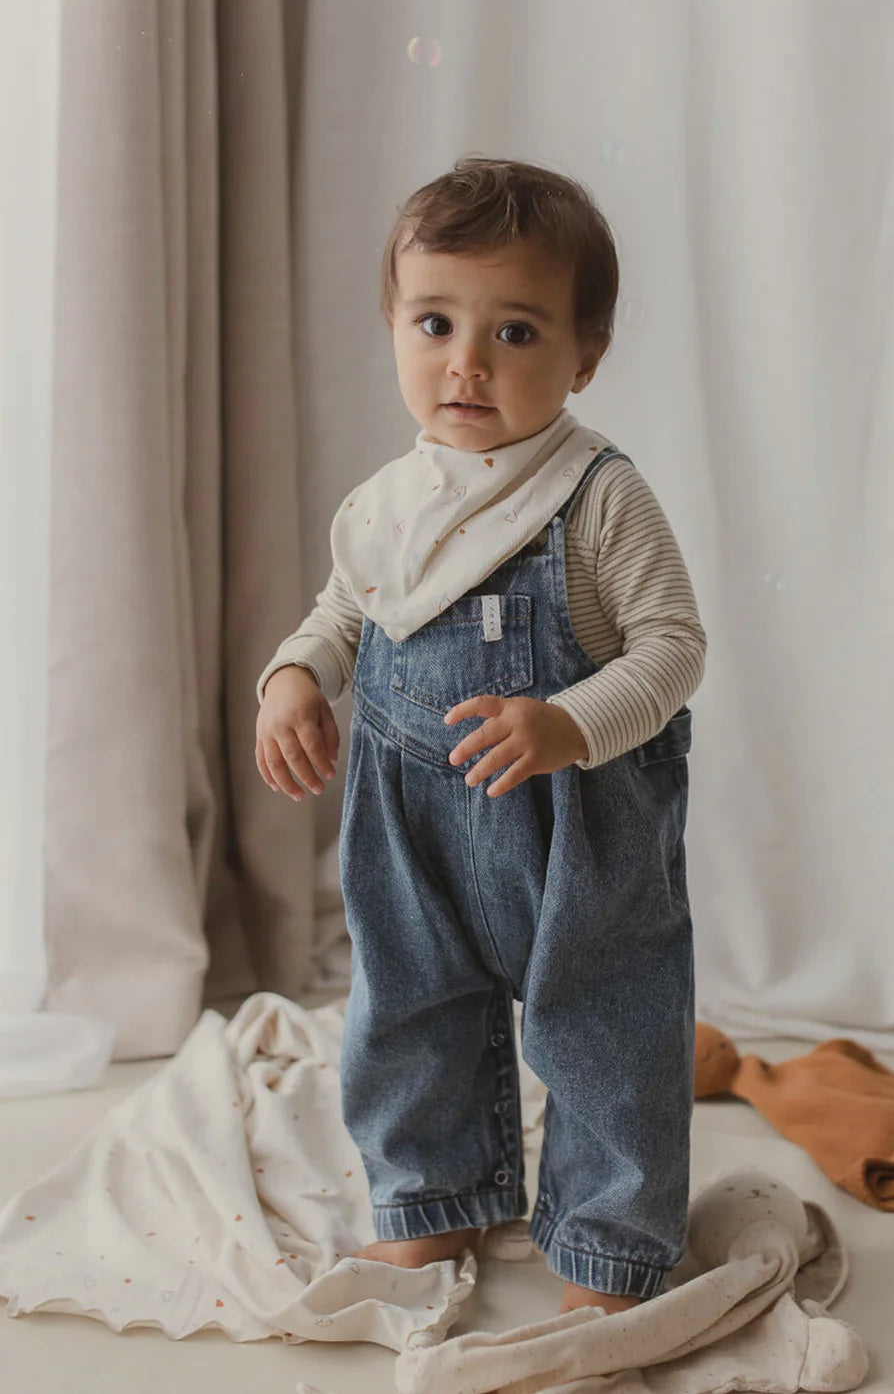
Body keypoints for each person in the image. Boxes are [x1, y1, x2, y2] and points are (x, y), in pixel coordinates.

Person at [253, 157, 705, 1316]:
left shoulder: (597, 495)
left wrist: (568, 721)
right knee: (408, 1011)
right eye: (435, 322)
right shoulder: (394, 499)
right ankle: (435, 1199)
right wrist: (297, 677)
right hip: (413, 823)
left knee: (606, 1026)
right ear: (395, 328)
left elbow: (671, 648)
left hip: (578, 824)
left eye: (514, 330)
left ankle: (607, 1243)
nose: (467, 361)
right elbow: (349, 608)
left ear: (583, 356)